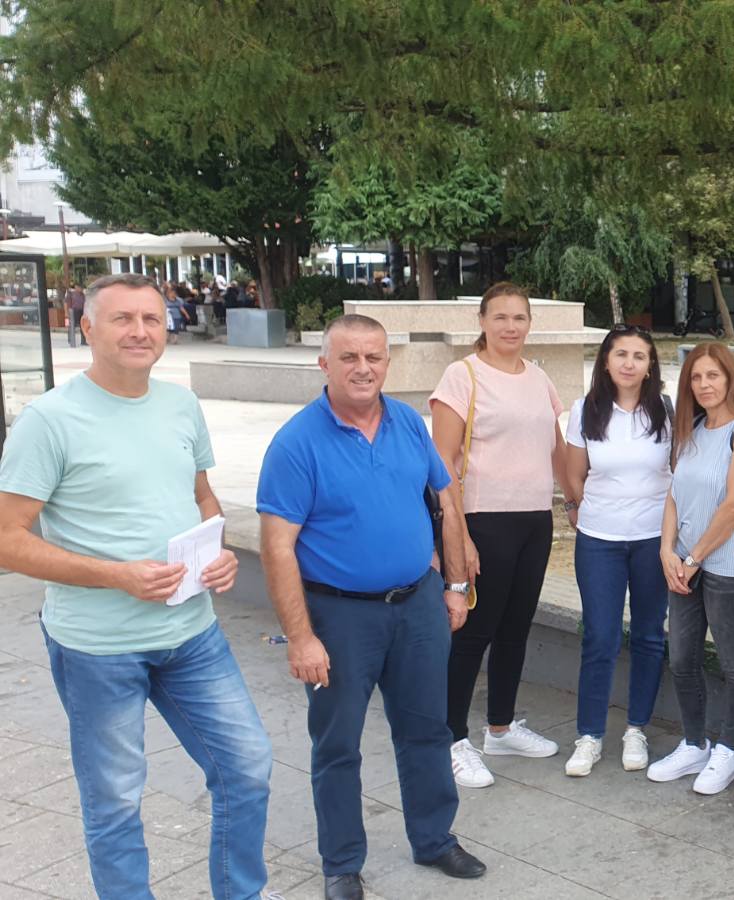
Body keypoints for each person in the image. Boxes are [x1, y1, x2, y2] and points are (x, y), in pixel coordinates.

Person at [0, 273, 275, 900]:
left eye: (151, 319)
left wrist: (218, 551)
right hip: (98, 647)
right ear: (87, 327)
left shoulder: (181, 405)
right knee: (116, 800)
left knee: (247, 767)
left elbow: (202, 496)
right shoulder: (49, 420)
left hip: (192, 633)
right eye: (122, 318)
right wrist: (114, 575)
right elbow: (7, 538)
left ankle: (241, 892)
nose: (140, 331)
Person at [257, 314, 486, 900]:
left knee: (428, 729)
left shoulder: (407, 422)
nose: (363, 368)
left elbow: (445, 498)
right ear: (324, 364)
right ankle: (341, 863)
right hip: (340, 617)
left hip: (417, 605)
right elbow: (277, 547)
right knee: (338, 744)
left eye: (374, 357)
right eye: (349, 357)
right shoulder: (297, 443)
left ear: (388, 362)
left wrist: (454, 584)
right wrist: (301, 637)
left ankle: (434, 838)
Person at [428, 283, 571, 788]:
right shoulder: (462, 375)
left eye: (520, 318)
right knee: (473, 633)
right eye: (501, 317)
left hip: (534, 519)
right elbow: (441, 463)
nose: (511, 326)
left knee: (515, 628)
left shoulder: (538, 378)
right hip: (482, 519)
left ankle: (501, 728)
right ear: (482, 321)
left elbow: (557, 448)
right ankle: (450, 739)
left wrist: (575, 501)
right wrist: (459, 537)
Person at [649, 343, 734, 796]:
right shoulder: (693, 429)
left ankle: (728, 749)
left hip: (727, 567)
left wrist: (693, 558)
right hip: (684, 564)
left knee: (733, 662)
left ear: (730, 378)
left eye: (713, 375)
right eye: (696, 377)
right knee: (682, 658)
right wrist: (667, 550)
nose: (704, 385)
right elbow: (673, 494)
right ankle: (694, 743)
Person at [563, 325, 674, 777]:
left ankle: (636, 729)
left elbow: (678, 472)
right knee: (600, 636)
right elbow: (574, 475)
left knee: (649, 635)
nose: (629, 363)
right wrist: (578, 510)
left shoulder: (667, 411)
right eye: (621, 354)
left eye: (639, 356)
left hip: (653, 540)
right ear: (606, 361)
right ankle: (589, 736)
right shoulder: (585, 409)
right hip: (599, 542)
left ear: (650, 366)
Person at [65, 281, 85, 347]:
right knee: (72, 326)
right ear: (76, 287)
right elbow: (66, 303)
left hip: (81, 311)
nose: (81, 289)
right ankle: (71, 339)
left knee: (82, 325)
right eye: (80, 287)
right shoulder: (71, 294)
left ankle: (83, 341)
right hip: (73, 311)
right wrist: (66, 313)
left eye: (82, 288)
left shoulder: (83, 295)